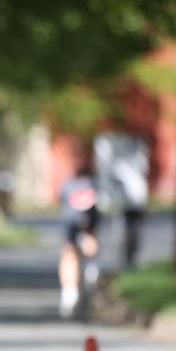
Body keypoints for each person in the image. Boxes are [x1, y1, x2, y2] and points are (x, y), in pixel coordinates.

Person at [95, 133, 149, 267]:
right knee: (126, 230)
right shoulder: (121, 163)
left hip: (135, 200)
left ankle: (129, 256)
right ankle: (125, 257)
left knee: (133, 230)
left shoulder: (131, 161)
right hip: (127, 200)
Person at [58, 163, 100, 319]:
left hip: (70, 221)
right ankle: (91, 272)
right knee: (90, 243)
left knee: (69, 254)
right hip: (89, 220)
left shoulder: (68, 185)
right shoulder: (94, 184)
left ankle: (69, 292)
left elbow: (61, 199)